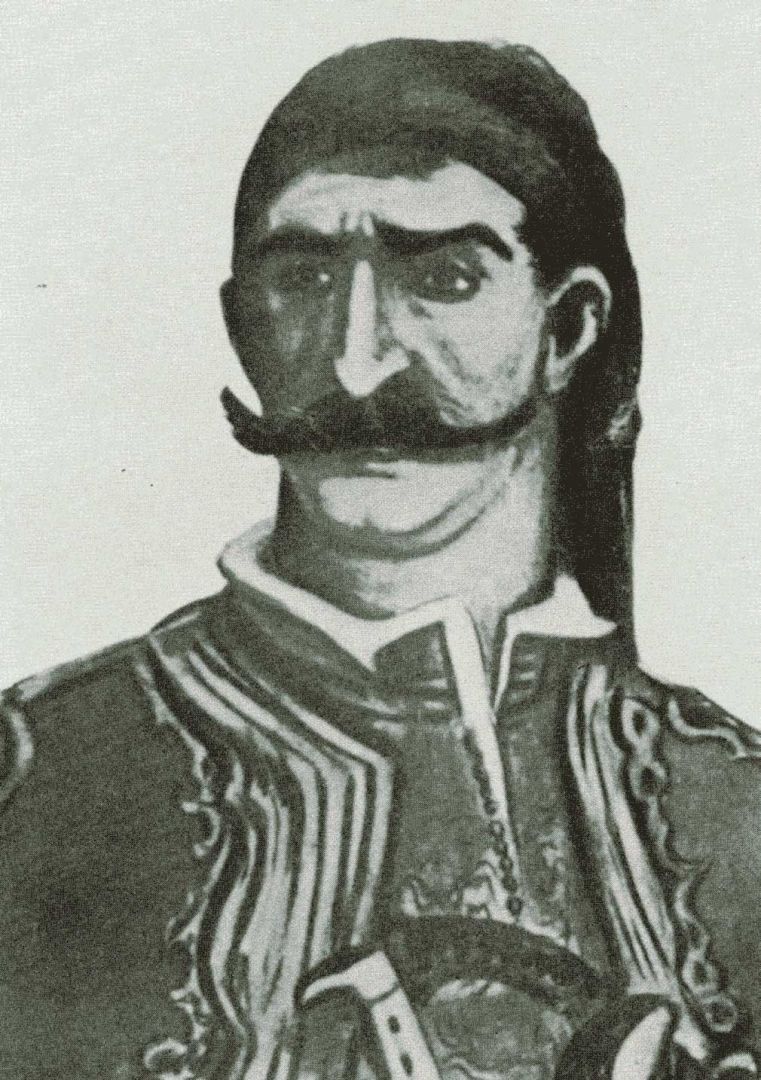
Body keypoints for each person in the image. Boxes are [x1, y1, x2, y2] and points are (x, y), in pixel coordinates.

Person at [1, 38, 759, 1080]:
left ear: (569, 328)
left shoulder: (729, 802)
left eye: (443, 278)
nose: (356, 362)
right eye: (303, 277)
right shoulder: (36, 781)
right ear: (239, 325)